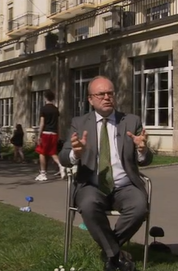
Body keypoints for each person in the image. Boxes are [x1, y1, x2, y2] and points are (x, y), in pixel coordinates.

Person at [59, 76, 153, 271]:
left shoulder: (131, 121)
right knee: (87, 204)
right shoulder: (79, 123)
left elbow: (146, 159)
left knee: (139, 207)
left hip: (125, 185)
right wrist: (75, 153)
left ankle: (110, 252)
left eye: (110, 93)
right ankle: (116, 255)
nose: (107, 97)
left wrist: (142, 150)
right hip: (92, 185)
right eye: (101, 94)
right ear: (90, 99)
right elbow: (63, 158)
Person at [35, 89, 64, 181]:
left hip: (46, 133)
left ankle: (43, 173)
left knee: (42, 152)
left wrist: (39, 135)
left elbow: (42, 123)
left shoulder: (44, 109)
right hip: (54, 133)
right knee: (53, 152)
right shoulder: (56, 109)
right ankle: (61, 166)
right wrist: (59, 134)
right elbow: (58, 123)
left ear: (45, 97)